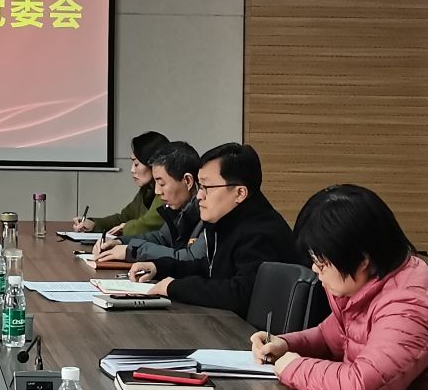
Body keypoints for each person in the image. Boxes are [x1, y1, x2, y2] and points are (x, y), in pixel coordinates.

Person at [250, 184, 428, 390]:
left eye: (322, 262)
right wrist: (285, 344)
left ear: (362, 260)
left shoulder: (410, 305)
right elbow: (329, 337)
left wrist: (294, 367)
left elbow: (363, 387)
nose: (314, 269)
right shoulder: (367, 284)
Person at [126, 142, 292, 316]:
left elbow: (240, 293)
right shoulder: (231, 221)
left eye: (207, 187)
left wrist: (174, 287)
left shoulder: (260, 232)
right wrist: (158, 267)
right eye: (200, 186)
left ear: (239, 193)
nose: (199, 195)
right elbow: (210, 268)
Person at [96, 140, 204, 266]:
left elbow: (189, 258)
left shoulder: (208, 214)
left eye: (162, 183)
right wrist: (119, 241)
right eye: (155, 183)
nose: (157, 191)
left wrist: (132, 251)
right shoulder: (180, 209)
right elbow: (161, 238)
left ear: (188, 181)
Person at [71, 130, 171, 238]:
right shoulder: (147, 189)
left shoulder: (167, 192)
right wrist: (93, 224)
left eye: (136, 164)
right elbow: (125, 217)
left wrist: (125, 228)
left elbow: (146, 226)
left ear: (154, 164)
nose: (132, 170)